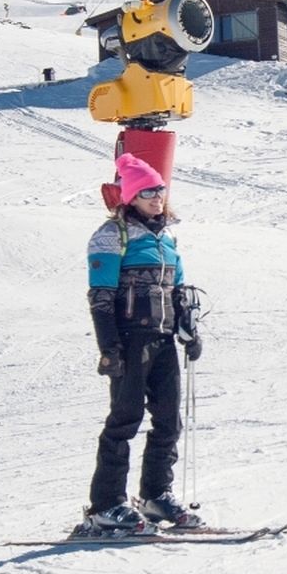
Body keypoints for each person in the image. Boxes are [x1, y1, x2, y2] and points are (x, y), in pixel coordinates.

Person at [83, 153, 205, 536]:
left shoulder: (167, 237)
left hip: (163, 338)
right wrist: (109, 348)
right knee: (125, 419)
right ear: (131, 196)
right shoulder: (111, 236)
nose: (157, 197)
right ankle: (107, 503)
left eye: (161, 190)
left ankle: (155, 495)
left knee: (169, 420)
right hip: (130, 339)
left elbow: (178, 289)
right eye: (149, 191)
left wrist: (189, 326)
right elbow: (101, 297)